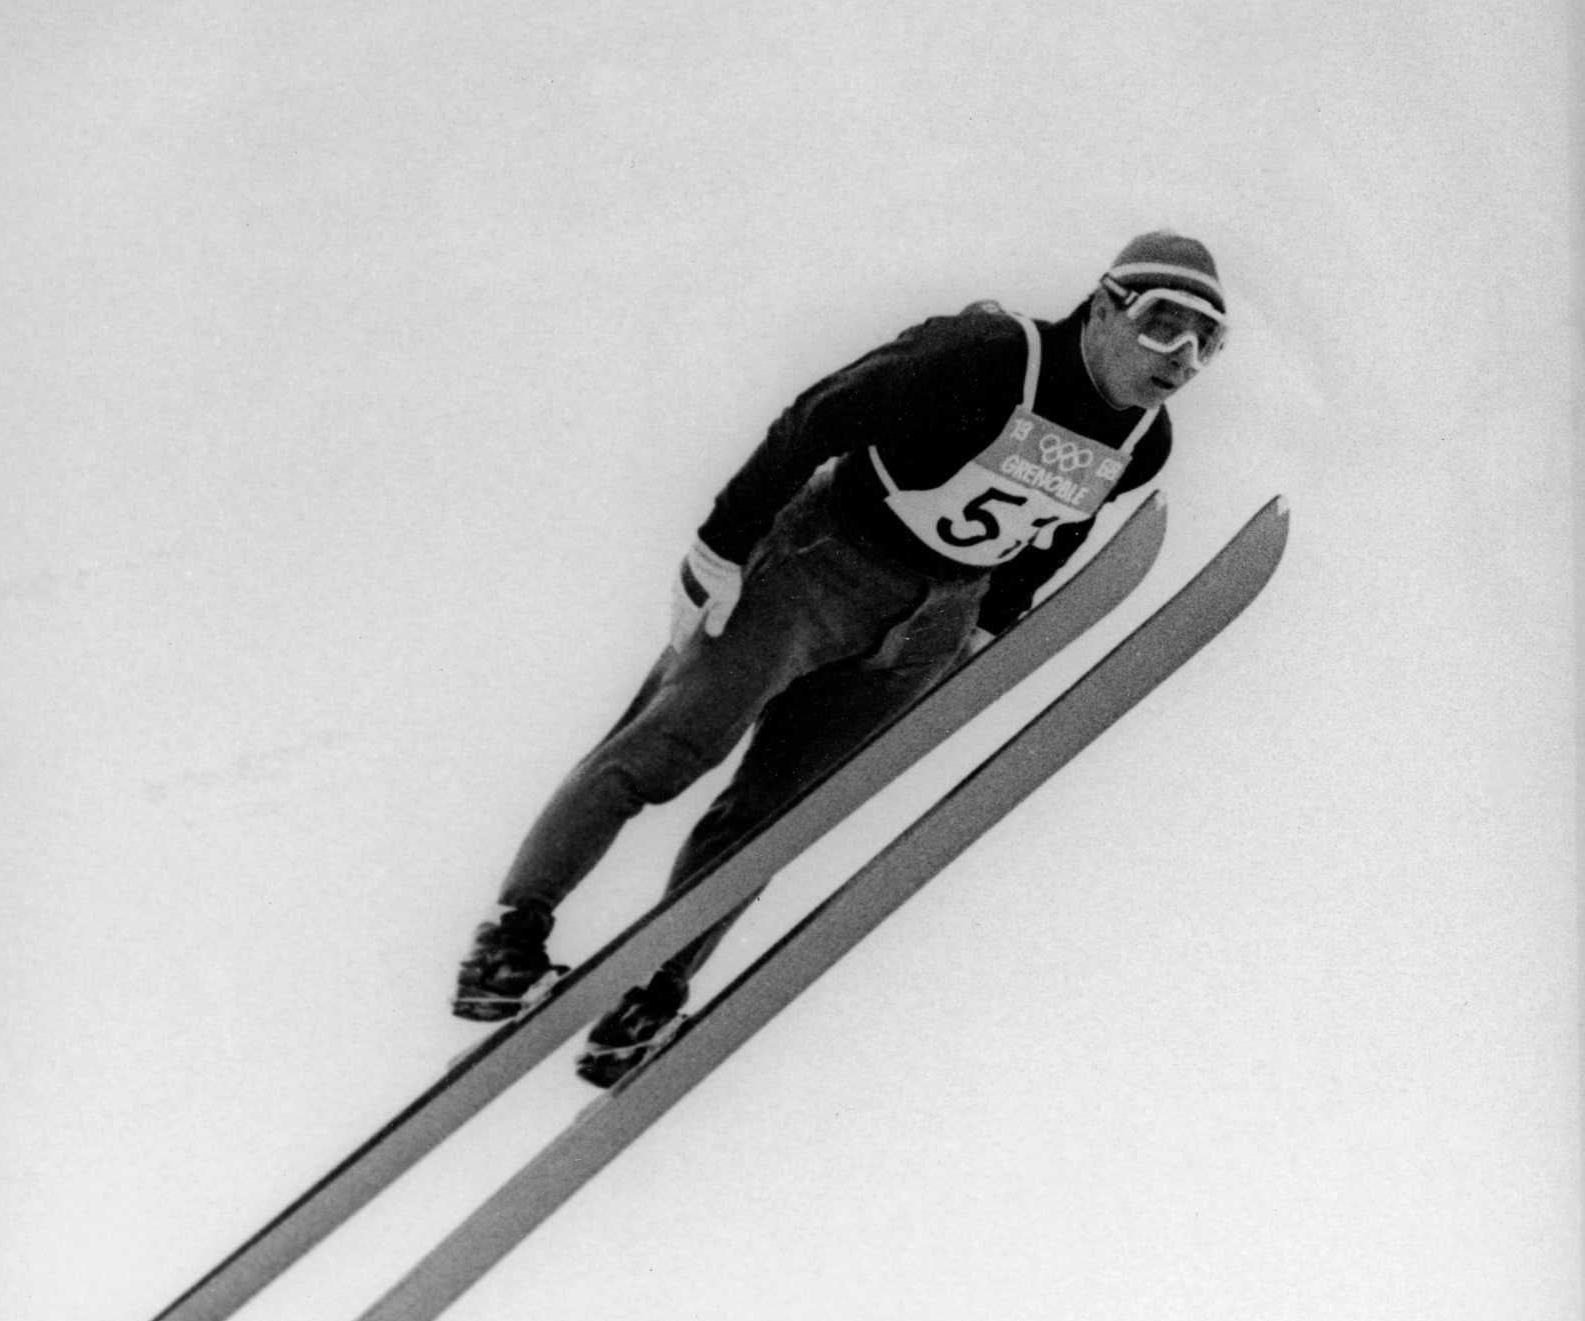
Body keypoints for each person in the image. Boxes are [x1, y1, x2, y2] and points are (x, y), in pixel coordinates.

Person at [453, 230, 1230, 1085]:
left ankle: (652, 993)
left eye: (1207, 342)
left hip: (934, 619)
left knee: (777, 815)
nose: (1182, 357)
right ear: (1104, 305)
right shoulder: (989, 355)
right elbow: (817, 417)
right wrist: (720, 544)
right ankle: (512, 937)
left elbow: (1058, 529)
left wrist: (990, 624)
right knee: (669, 746)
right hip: (822, 561)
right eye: (1163, 323)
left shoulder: (1144, 443)